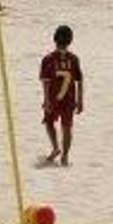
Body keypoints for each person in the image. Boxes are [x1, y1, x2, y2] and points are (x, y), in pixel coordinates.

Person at [41, 25, 85, 166]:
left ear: (54, 39)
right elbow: (79, 81)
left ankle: (55, 147)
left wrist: (46, 100)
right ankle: (65, 156)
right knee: (67, 127)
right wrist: (80, 100)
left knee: (49, 122)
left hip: (53, 97)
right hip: (69, 98)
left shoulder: (48, 59)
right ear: (70, 41)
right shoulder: (74, 59)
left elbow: (46, 83)